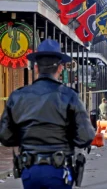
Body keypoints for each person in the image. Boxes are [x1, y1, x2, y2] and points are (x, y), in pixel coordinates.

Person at [0, 39, 95, 189]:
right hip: (59, 168)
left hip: (30, 169)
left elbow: (5, 136)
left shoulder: (18, 96)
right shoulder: (69, 96)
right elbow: (86, 136)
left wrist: (26, 136)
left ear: (36, 68)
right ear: (60, 68)